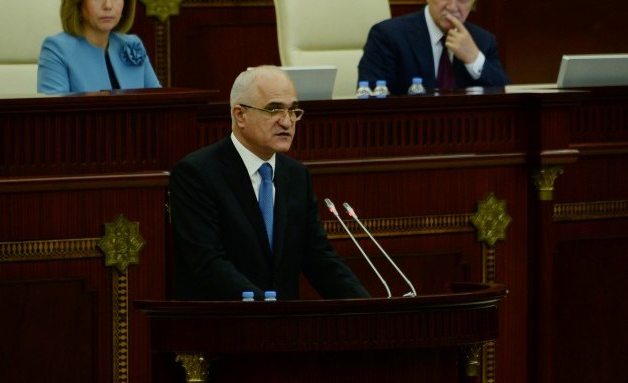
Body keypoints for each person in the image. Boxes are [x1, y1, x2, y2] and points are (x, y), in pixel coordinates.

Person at [169, 66, 370, 301]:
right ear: (240, 115)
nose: (287, 122)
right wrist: (268, 307)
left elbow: (320, 259)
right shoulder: (197, 173)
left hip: (280, 320)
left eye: (293, 110)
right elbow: (206, 263)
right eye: (274, 109)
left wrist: (367, 308)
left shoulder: (296, 176)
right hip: (223, 318)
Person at [358, 0, 510, 95]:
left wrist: (474, 59)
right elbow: (370, 97)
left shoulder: (483, 41)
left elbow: (506, 96)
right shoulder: (388, 36)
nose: (452, 7)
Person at [37, 0, 160, 94]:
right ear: (77, 4)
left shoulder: (132, 45)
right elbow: (54, 116)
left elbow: (159, 105)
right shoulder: (56, 49)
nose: (108, 5)